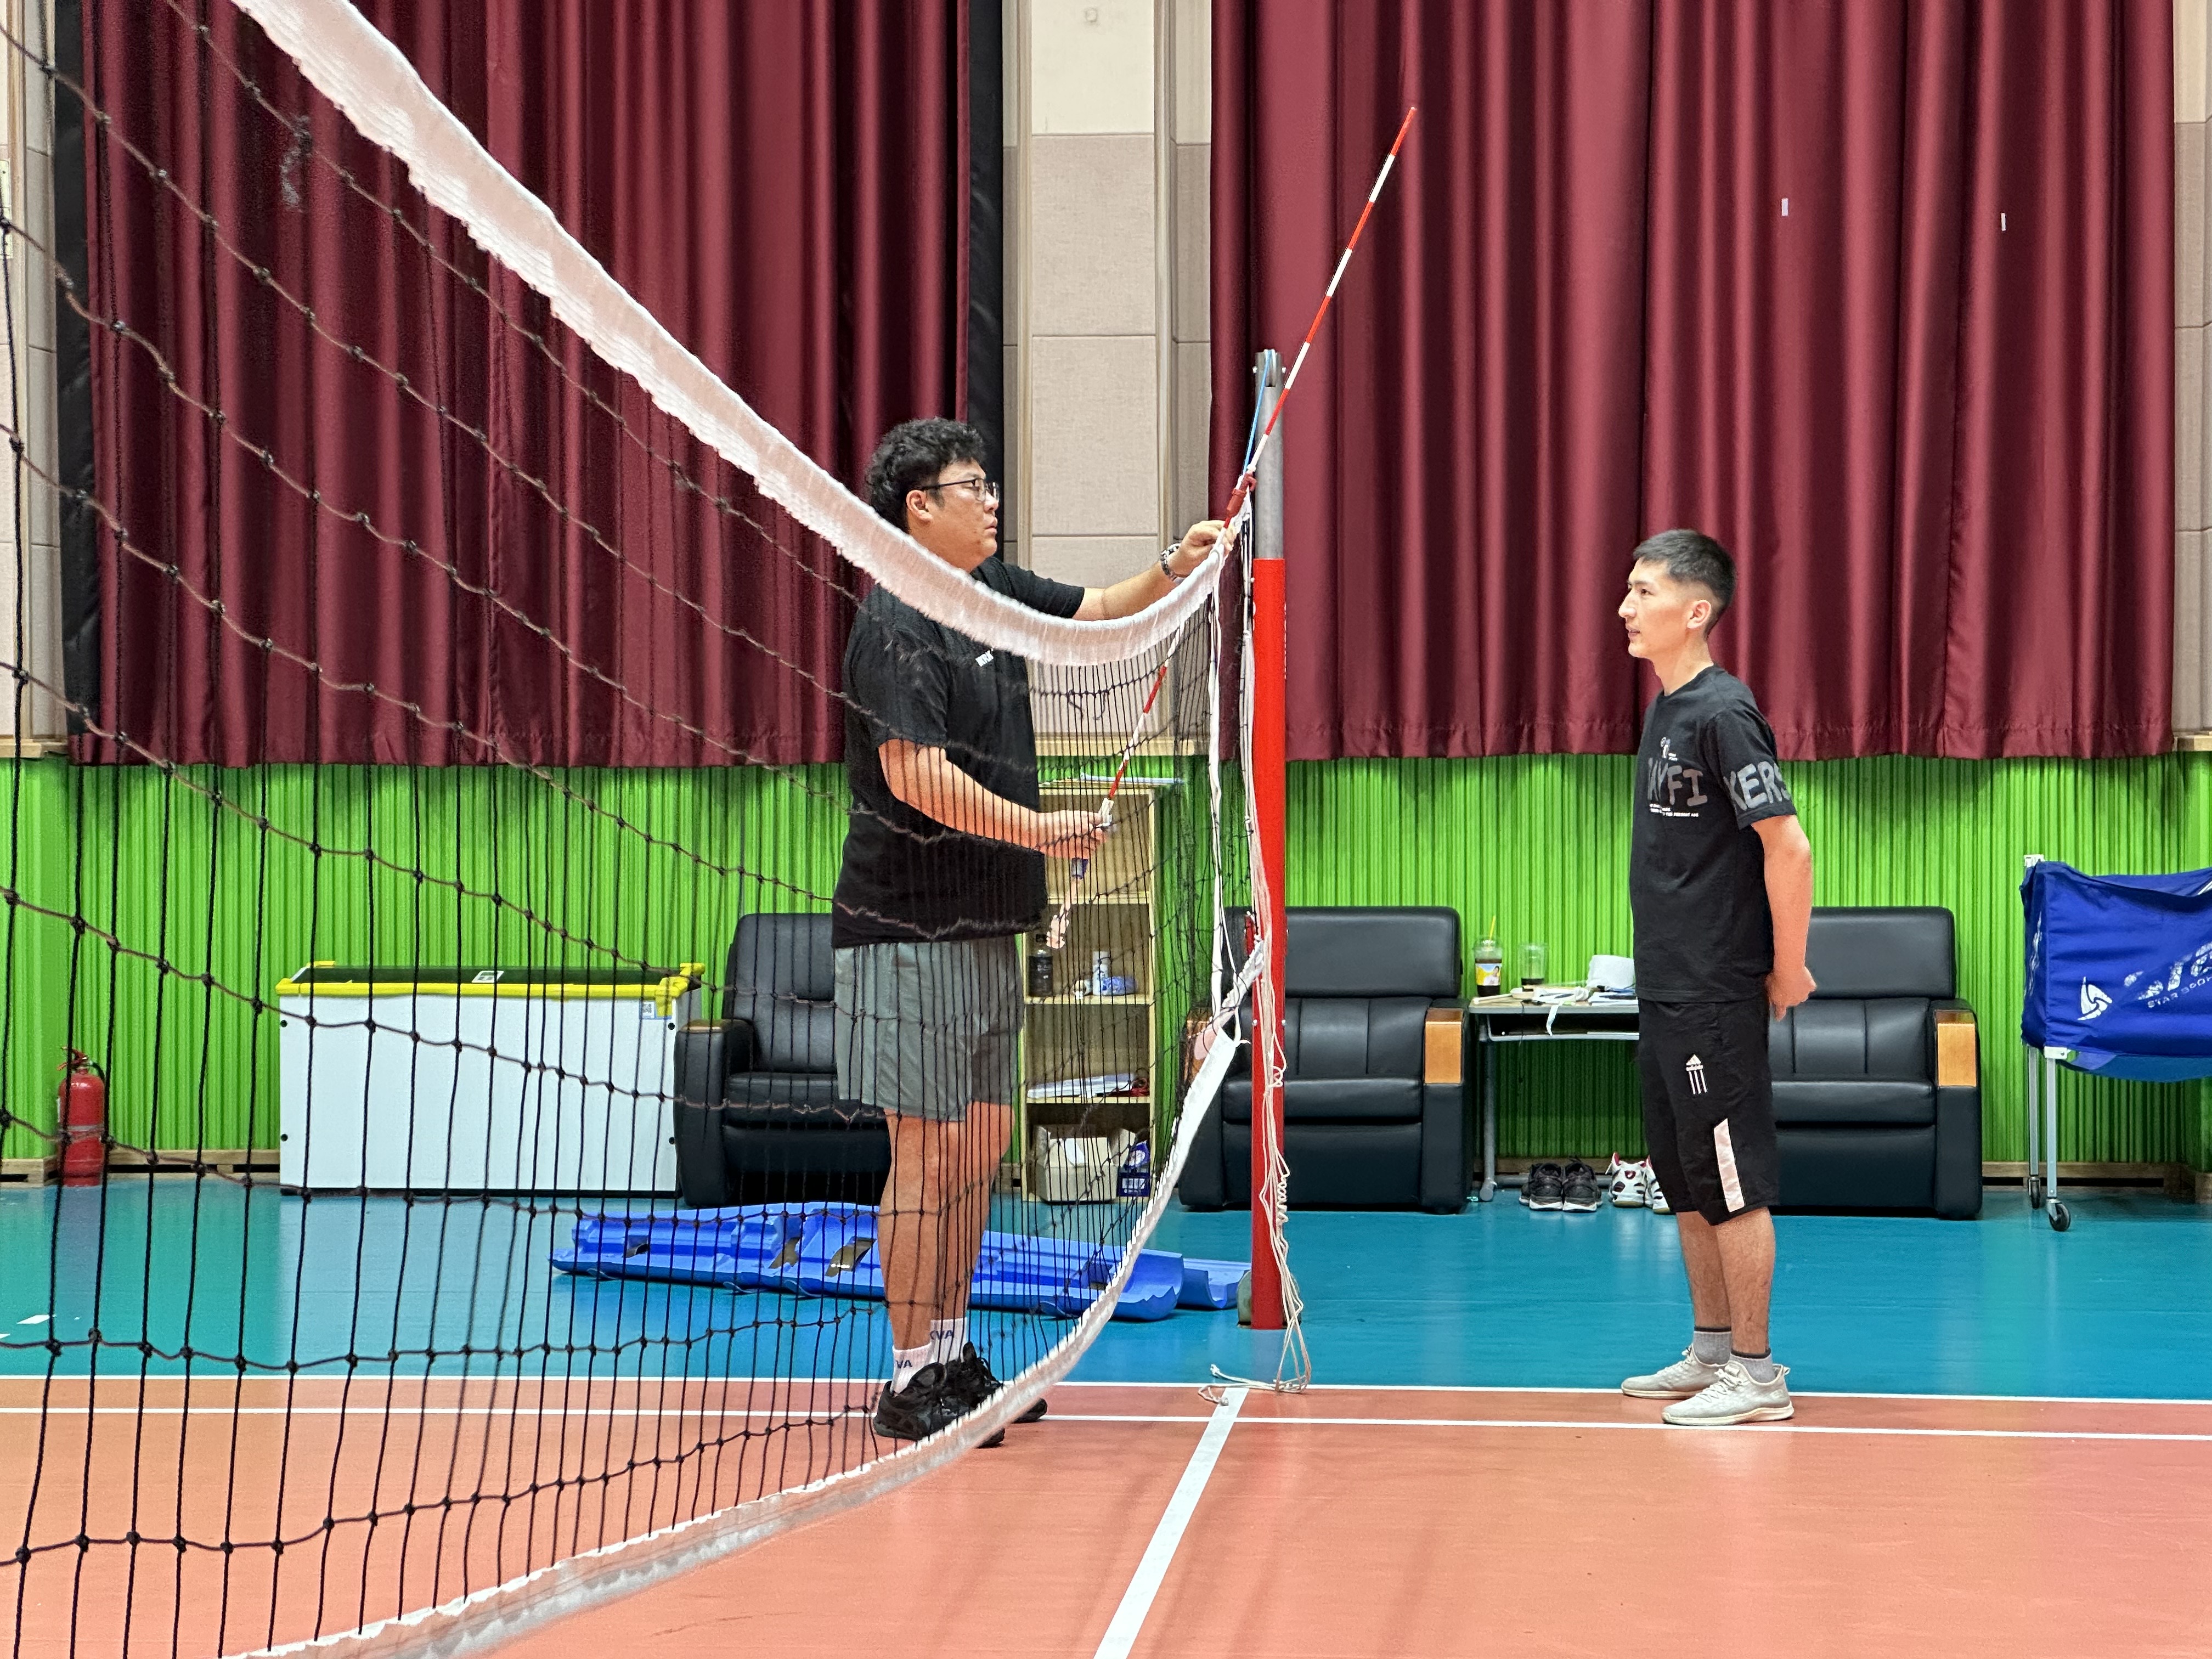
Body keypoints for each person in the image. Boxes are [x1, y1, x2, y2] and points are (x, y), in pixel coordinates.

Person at [833, 417, 1223, 1442]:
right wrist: (1043, 830)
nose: (993, 500)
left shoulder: (992, 593)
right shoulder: (895, 623)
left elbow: (1098, 610)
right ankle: (909, 1375)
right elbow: (917, 777)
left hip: (988, 924)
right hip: (907, 929)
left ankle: (953, 1348)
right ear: (921, 507)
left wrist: (1173, 566)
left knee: (980, 1147)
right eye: (974, 487)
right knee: (926, 1153)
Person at [1614, 529, 1815, 1427]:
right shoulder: (1668, 708)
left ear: (1695, 611)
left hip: (1714, 992)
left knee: (1732, 1184)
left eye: (1645, 592)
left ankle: (1758, 1374)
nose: (1627, 607)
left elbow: (1789, 846)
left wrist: (1789, 966)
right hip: (1666, 987)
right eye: (1629, 590)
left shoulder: (1724, 713)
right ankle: (1710, 1351)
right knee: (1688, 1178)